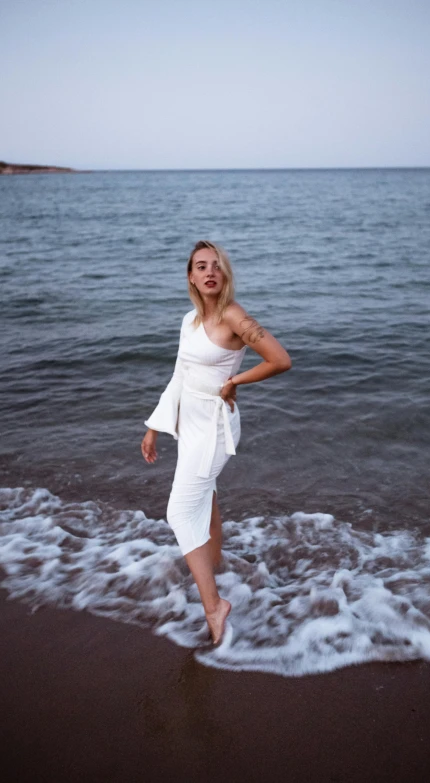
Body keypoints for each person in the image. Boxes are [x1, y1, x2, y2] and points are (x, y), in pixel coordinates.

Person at [141, 240, 291, 644]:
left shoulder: (233, 316)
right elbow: (179, 374)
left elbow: (279, 358)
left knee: (177, 511)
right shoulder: (189, 321)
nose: (210, 272)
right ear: (190, 276)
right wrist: (155, 425)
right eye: (201, 266)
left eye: (217, 266)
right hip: (188, 419)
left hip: (214, 423)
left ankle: (215, 606)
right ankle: (215, 560)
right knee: (203, 496)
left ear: (224, 275)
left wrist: (235, 381)